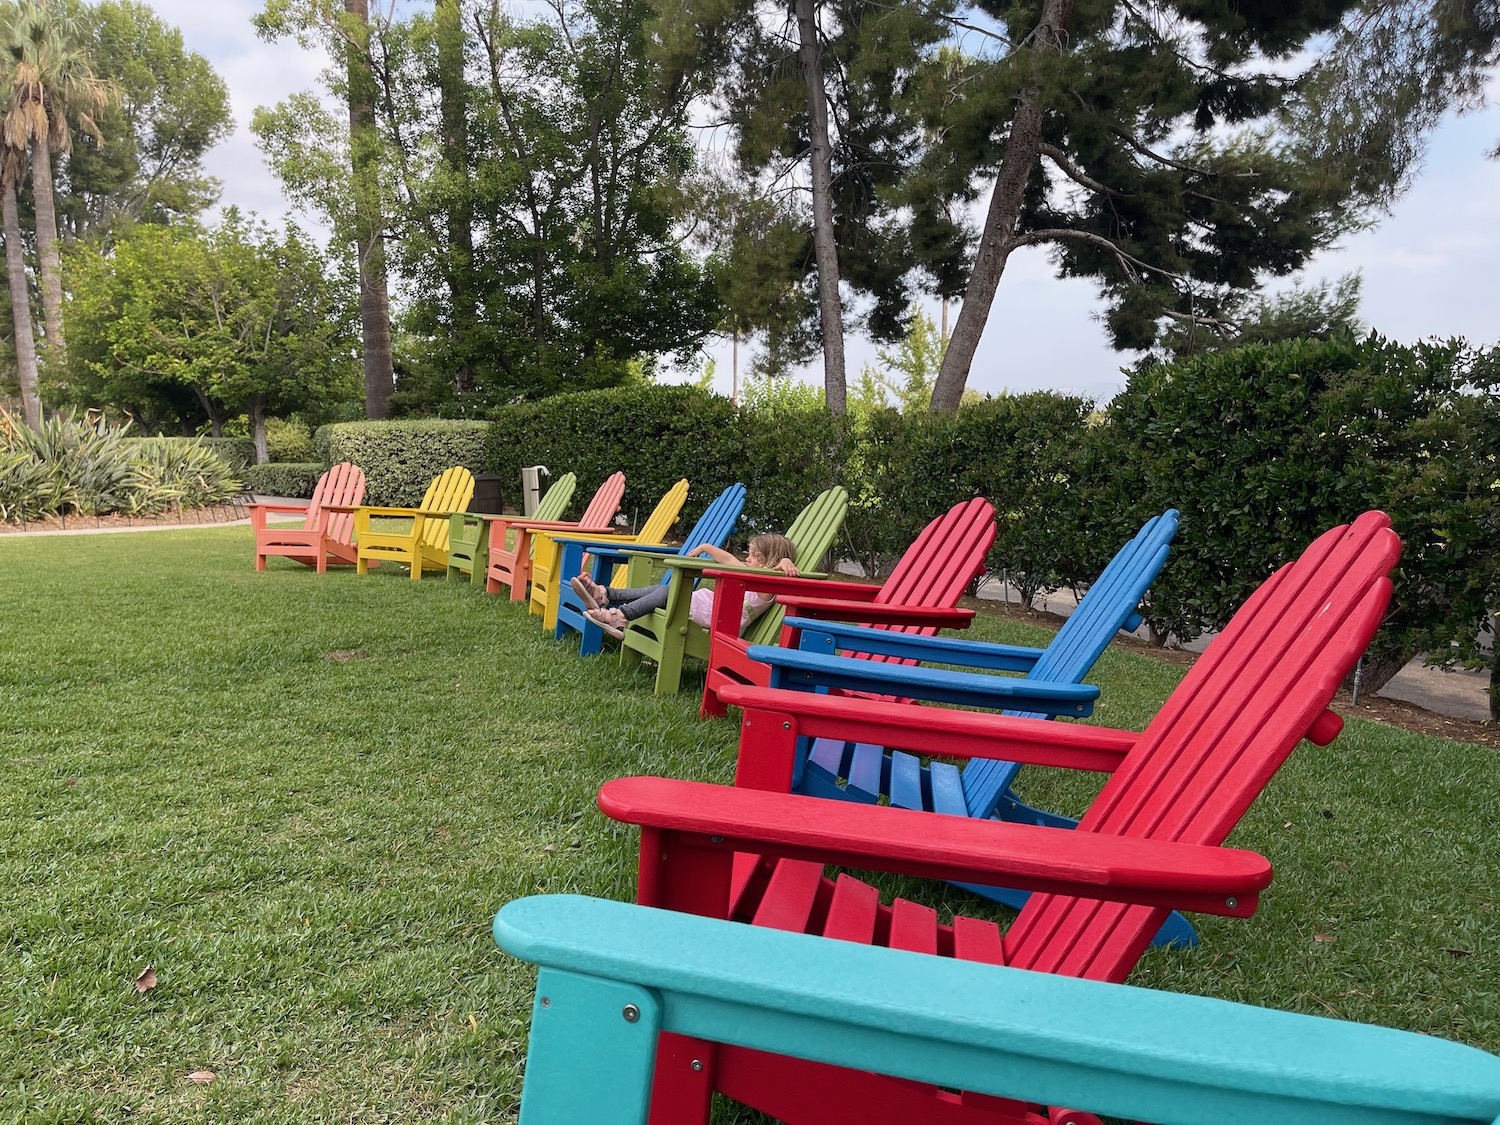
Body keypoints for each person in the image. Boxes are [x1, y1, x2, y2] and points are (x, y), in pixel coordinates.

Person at [571, 533, 798, 640]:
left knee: (669, 592)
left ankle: (620, 617)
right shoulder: (750, 571)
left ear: (771, 561)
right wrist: (707, 546)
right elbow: (729, 560)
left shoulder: (767, 583)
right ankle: (605, 594)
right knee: (659, 590)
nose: (748, 559)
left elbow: (779, 573)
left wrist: (785, 563)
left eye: (754, 556)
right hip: (713, 607)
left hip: (721, 618)